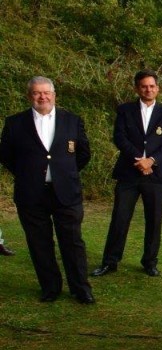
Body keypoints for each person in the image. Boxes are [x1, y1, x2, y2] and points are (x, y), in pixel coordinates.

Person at [0, 76, 94, 304]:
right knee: (39, 243)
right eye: (37, 93)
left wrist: (64, 173)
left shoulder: (72, 120)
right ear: (29, 96)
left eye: (46, 93)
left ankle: (81, 289)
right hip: (31, 194)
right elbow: (6, 156)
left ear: (54, 95)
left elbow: (83, 154)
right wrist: (28, 174)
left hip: (66, 192)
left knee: (72, 242)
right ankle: (50, 287)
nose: (42, 97)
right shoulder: (15, 123)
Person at [92, 70, 162, 278]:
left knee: (154, 220)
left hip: (157, 175)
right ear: (137, 88)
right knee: (120, 218)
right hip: (129, 173)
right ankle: (110, 261)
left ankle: (150, 262)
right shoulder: (125, 110)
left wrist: (152, 160)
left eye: (152, 86)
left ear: (157, 88)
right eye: (144, 86)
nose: (148, 89)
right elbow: (119, 138)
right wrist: (140, 159)